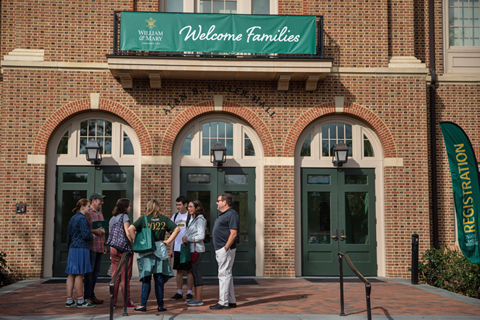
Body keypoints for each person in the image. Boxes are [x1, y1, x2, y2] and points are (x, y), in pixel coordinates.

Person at [128, 199, 180, 312]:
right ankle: (160, 305)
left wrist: (136, 241)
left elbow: (130, 229)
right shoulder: (164, 219)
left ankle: (143, 305)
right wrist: (168, 241)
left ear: (148, 208)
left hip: (146, 250)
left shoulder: (144, 219)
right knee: (159, 279)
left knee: (146, 279)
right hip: (160, 251)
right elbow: (177, 229)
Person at [65, 198, 102, 308]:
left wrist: (69, 246)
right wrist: (93, 236)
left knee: (71, 274)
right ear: (82, 207)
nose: (89, 208)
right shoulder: (82, 218)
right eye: (88, 206)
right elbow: (86, 234)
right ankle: (81, 301)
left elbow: (69, 235)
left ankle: (69, 300)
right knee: (80, 275)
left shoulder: (73, 218)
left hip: (72, 248)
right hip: (81, 248)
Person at [209, 193, 239, 310]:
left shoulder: (232, 214)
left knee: (223, 275)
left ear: (224, 202)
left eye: (218, 200)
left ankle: (223, 302)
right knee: (227, 275)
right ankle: (231, 301)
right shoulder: (224, 215)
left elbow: (234, 233)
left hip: (225, 249)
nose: (217, 203)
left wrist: (225, 248)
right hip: (222, 249)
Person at [108, 198, 136, 309]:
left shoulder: (112, 219)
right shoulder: (125, 217)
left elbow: (111, 235)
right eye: (129, 205)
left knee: (115, 276)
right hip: (125, 249)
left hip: (114, 249)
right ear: (124, 207)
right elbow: (128, 232)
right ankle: (127, 302)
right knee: (125, 277)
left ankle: (113, 302)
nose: (131, 207)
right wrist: (133, 245)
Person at [168, 196, 194, 301]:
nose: (177, 207)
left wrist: (187, 238)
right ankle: (179, 292)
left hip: (187, 248)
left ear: (185, 204)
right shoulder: (174, 217)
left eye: (179, 204)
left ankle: (189, 293)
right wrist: (171, 249)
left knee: (188, 270)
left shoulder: (190, 216)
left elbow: (193, 231)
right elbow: (172, 234)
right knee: (178, 270)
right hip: (177, 247)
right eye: (176, 204)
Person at [183, 199, 207, 307]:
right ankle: (196, 298)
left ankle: (198, 299)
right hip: (192, 250)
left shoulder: (200, 220)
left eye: (191, 206)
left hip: (197, 250)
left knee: (196, 273)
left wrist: (188, 239)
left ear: (197, 208)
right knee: (194, 273)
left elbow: (201, 236)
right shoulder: (192, 219)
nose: (189, 208)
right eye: (188, 206)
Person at [84, 192, 107, 305]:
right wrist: (94, 231)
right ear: (93, 201)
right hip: (91, 247)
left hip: (99, 246)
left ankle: (92, 295)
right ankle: (87, 296)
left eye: (102, 201)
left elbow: (102, 230)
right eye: (100, 200)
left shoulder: (100, 213)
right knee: (89, 273)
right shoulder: (87, 213)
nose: (102, 203)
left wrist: (104, 245)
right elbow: (83, 230)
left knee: (96, 273)